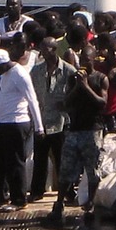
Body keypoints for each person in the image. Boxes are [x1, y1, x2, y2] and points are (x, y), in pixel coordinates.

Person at [49, 65, 108, 227]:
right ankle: (59, 202)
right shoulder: (73, 79)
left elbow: (102, 103)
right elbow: (66, 103)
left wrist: (86, 86)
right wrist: (77, 86)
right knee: (66, 169)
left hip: (92, 130)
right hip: (74, 130)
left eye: (87, 62)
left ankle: (90, 203)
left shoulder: (100, 78)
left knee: (92, 170)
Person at [0, 47, 43, 210]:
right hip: (4, 122)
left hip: (17, 123)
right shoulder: (5, 74)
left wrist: (39, 127)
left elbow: (32, 100)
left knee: (15, 163)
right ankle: (0, 195)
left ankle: (19, 200)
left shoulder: (19, 74)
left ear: (4, 64)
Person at [29, 36, 73, 201]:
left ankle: (67, 192)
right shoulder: (36, 70)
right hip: (42, 120)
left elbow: (76, 92)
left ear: (54, 50)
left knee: (62, 159)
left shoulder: (68, 70)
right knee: (40, 158)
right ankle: (37, 191)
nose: (43, 52)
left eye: (46, 49)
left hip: (61, 121)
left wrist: (67, 104)